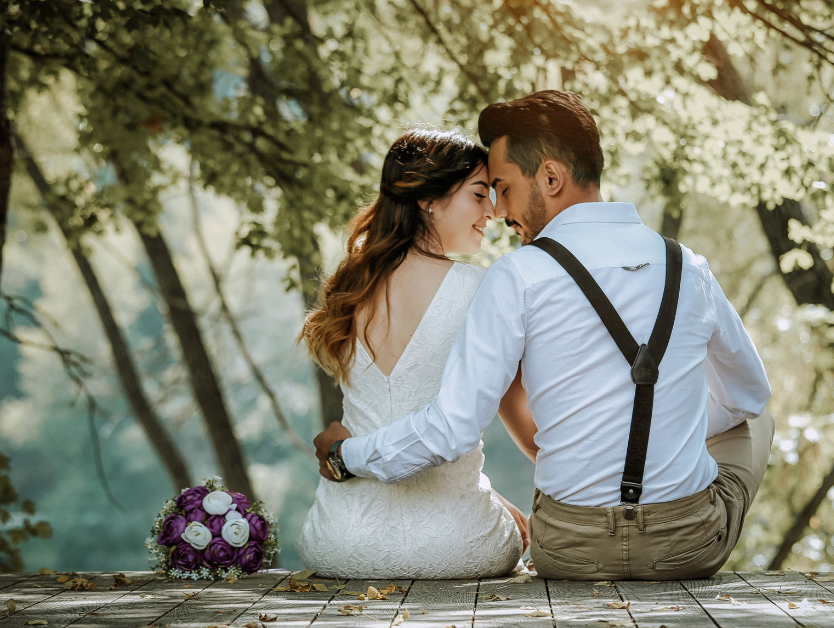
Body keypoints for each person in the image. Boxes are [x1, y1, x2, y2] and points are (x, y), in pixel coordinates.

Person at [313, 91, 775, 580]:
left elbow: (452, 427)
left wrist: (347, 455)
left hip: (567, 549)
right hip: (686, 546)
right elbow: (748, 395)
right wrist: (668, 431)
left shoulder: (516, 276)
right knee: (755, 417)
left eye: (503, 187)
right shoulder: (690, 267)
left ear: (551, 178)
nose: (498, 210)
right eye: (486, 191)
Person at [297, 128, 534, 579]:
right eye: (479, 194)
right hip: (458, 545)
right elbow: (523, 428)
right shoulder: (482, 289)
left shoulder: (349, 289)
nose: (493, 211)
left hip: (341, 543)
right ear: (428, 199)